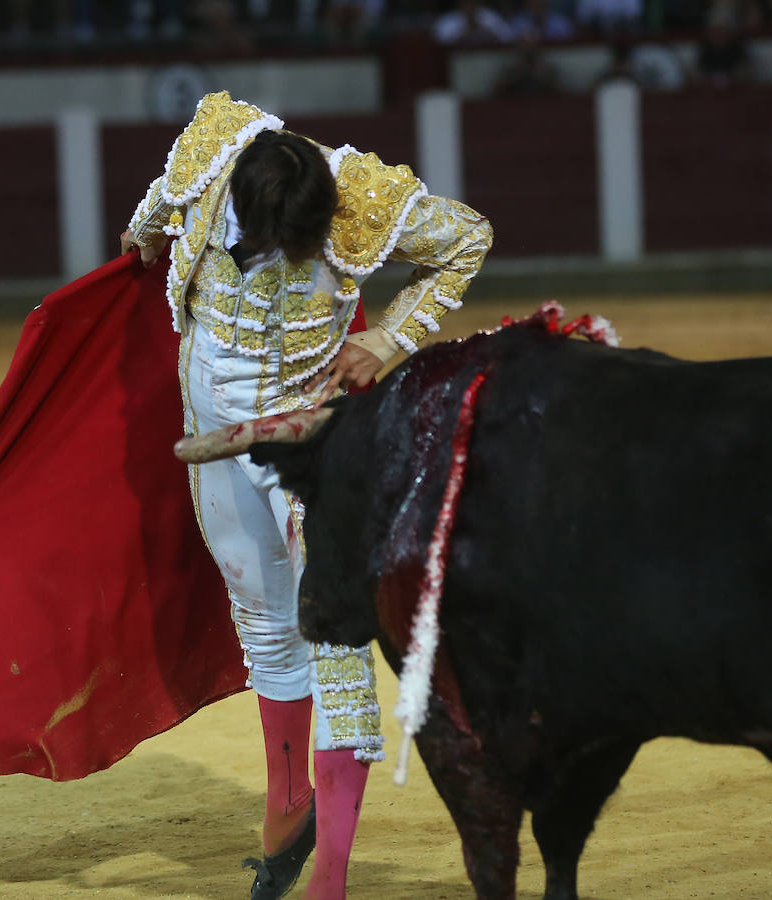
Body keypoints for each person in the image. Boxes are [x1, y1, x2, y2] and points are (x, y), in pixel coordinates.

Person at [119, 91, 493, 900]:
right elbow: (159, 200)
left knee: (333, 635)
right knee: (258, 613)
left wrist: (388, 337)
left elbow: (467, 237)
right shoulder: (215, 149)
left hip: (312, 445)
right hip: (211, 428)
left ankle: (331, 878)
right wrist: (146, 230)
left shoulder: (363, 196)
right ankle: (290, 805)